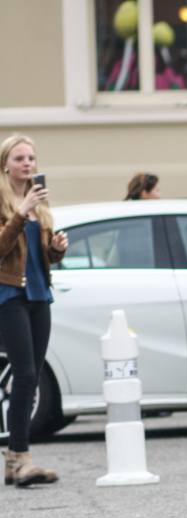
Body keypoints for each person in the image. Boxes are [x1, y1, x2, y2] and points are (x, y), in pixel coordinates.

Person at [0, 134, 66, 486]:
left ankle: (14, 460)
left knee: (31, 373)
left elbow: (40, 258)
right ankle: (21, 457)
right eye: (20, 158)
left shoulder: (40, 204)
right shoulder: (7, 201)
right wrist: (20, 212)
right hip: (8, 296)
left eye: (31, 158)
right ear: (6, 164)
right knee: (24, 374)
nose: (28, 164)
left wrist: (55, 249)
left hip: (40, 296)